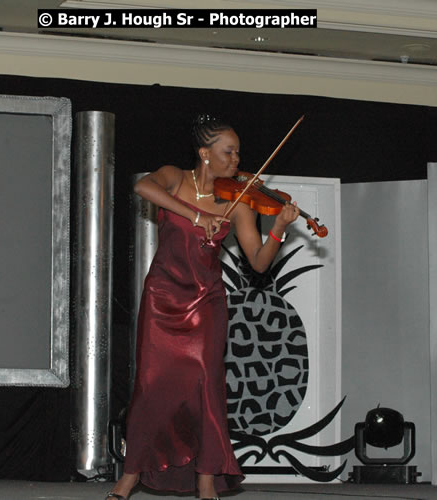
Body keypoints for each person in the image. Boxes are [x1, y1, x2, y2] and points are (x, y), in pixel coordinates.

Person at [107, 115, 299, 500]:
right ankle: (129, 478)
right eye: (228, 152)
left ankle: (206, 480)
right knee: (150, 387)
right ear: (204, 154)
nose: (236, 160)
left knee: (206, 387)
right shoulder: (173, 177)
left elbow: (259, 262)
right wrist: (197, 214)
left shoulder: (241, 200)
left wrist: (279, 225)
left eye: (238, 152)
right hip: (163, 297)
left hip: (207, 301)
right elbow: (142, 186)